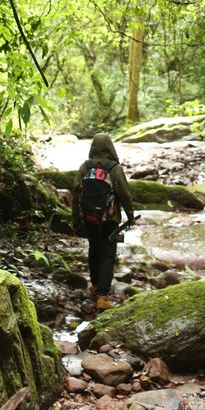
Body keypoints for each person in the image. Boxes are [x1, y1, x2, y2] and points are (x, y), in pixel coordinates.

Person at [72, 133, 134, 311]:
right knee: (107, 254)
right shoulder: (115, 168)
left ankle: (95, 285)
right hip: (109, 218)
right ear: (110, 147)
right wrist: (130, 215)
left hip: (89, 217)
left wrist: (76, 219)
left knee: (94, 248)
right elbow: (124, 194)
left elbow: (76, 193)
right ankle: (103, 296)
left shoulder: (85, 167)